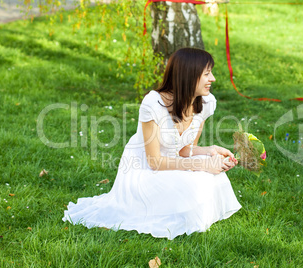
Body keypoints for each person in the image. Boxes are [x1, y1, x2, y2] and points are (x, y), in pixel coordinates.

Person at [63, 47, 242, 240]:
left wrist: (210, 151)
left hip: (173, 161)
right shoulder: (153, 104)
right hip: (144, 169)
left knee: (215, 178)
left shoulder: (205, 103)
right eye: (207, 74)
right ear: (189, 75)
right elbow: (154, 161)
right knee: (195, 183)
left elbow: (184, 150)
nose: (213, 78)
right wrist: (201, 164)